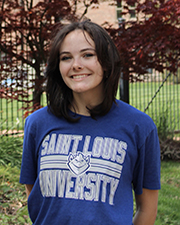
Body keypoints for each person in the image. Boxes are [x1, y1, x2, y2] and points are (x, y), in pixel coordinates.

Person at [20, 20, 161, 225]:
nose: (76, 64)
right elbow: (34, 194)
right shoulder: (37, 123)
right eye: (66, 58)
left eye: (88, 55)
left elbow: (147, 208)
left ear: (106, 61)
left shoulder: (140, 127)